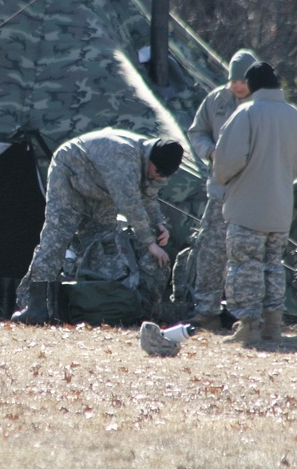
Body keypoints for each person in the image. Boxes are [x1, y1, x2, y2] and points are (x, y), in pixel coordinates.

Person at [11, 128, 184, 325]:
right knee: (56, 239)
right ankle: (35, 307)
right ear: (151, 158)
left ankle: (90, 307)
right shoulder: (124, 157)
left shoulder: (154, 165)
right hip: (69, 176)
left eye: (164, 176)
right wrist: (150, 243)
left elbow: (149, 195)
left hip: (101, 191)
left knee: (102, 245)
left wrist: (159, 223)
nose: (158, 177)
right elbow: (131, 204)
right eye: (158, 172)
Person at [213, 62, 297, 343]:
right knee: (273, 265)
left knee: (245, 266)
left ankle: (248, 326)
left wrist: (224, 179)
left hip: (247, 207)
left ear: (252, 86)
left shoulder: (247, 113)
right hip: (281, 207)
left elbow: (227, 161)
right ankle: (273, 325)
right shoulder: (294, 115)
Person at [186, 48, 258, 331]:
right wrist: (211, 152)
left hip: (251, 192)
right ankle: (206, 309)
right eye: (234, 81)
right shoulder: (216, 99)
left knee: (246, 253)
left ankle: (245, 313)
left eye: (243, 81)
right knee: (211, 249)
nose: (238, 86)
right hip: (219, 189)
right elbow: (197, 132)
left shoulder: (262, 105)